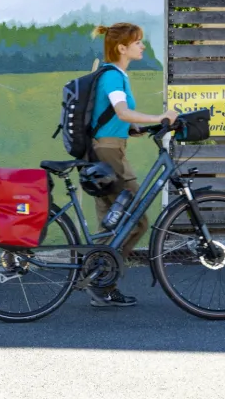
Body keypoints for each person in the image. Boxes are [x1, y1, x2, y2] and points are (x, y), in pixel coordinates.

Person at [89, 23, 178, 308]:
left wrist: (137, 129)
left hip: (107, 149)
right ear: (121, 48)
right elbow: (122, 111)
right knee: (136, 219)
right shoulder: (113, 76)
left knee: (111, 222)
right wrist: (159, 118)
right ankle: (102, 281)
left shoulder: (114, 75)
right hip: (108, 154)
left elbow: (114, 119)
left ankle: (99, 280)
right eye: (137, 42)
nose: (142, 46)